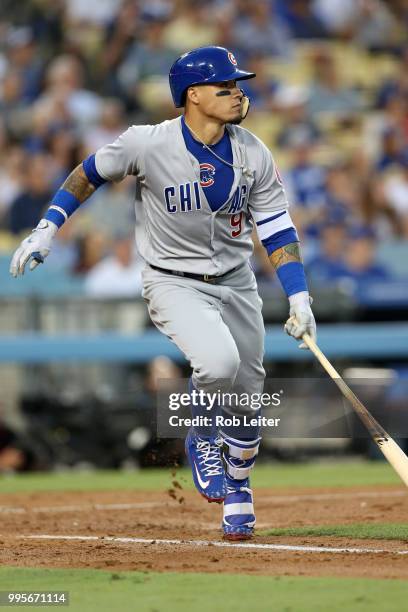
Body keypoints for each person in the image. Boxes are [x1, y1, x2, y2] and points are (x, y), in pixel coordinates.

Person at [10, 46, 316, 541]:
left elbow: (278, 229)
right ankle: (200, 434)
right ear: (193, 96)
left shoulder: (254, 150)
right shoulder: (148, 143)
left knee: (248, 400)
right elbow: (89, 172)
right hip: (173, 279)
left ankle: (238, 491)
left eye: (238, 85)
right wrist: (48, 227)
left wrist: (299, 297)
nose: (239, 94)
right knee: (217, 364)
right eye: (226, 87)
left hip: (237, 280)